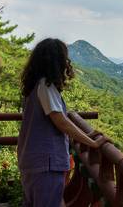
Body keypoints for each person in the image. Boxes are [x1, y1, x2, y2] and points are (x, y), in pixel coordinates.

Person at [17, 38, 107, 206]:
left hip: (32, 160)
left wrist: (87, 135)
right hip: (46, 163)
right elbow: (61, 122)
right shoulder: (46, 85)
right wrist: (92, 143)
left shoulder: (34, 86)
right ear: (56, 61)